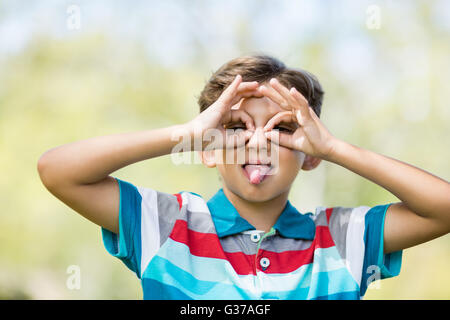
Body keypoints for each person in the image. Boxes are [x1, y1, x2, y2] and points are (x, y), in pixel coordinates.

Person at [37, 54, 450, 300]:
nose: (258, 141)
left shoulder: (342, 241)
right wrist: (188, 135)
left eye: (282, 128)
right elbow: (57, 171)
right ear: (209, 150)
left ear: (309, 156)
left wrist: (335, 148)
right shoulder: (166, 226)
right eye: (236, 127)